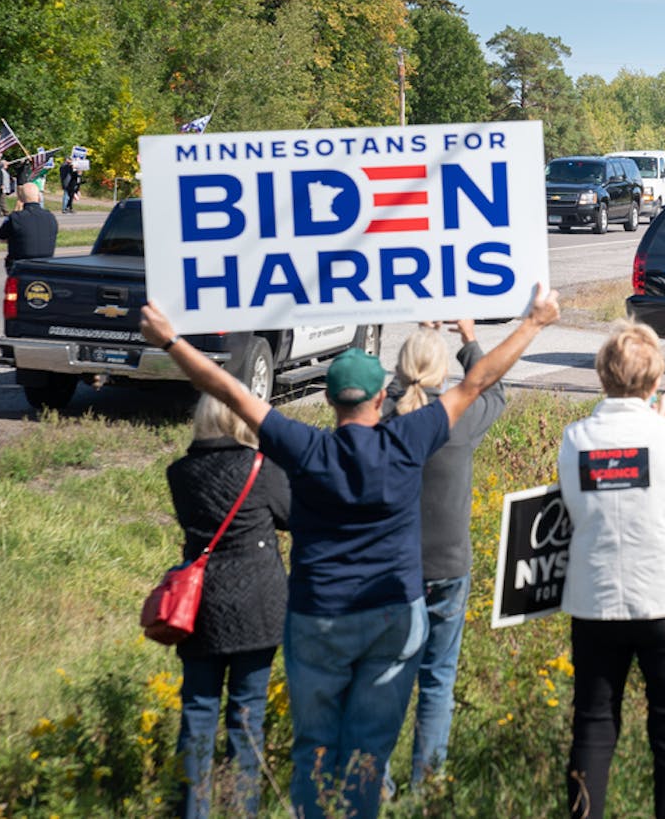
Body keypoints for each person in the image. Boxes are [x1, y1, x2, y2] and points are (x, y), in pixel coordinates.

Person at [139, 285, 560, 819]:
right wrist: (534, 323)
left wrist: (172, 339)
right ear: (380, 399)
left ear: (330, 400)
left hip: (319, 617)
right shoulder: (408, 439)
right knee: (368, 749)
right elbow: (478, 383)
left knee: (314, 744)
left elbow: (228, 390)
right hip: (392, 614)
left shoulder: (305, 447)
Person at [558, 320, 665, 819]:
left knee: (594, 723)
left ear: (602, 375)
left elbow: (573, 504)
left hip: (596, 596)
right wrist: (662, 428)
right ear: (654, 380)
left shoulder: (574, 439)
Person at [382, 320, 507, 788]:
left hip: (394, 570)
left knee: (388, 678)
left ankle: (378, 783)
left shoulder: (384, 421)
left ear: (399, 371)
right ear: (440, 377)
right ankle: (426, 784)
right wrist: (468, 338)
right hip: (448, 566)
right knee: (438, 680)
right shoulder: (457, 421)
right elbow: (495, 393)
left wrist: (408, 363)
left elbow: (397, 391)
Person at [167, 391, 292, 819]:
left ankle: (192, 811)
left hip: (200, 607)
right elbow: (291, 516)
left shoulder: (179, 473)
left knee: (197, 714)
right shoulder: (260, 468)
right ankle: (243, 809)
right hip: (259, 605)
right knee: (247, 717)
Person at [0, 182, 59, 272]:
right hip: (45, 267)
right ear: (39, 197)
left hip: (20, 268)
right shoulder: (51, 217)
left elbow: (1, 237)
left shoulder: (16, 218)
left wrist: (15, 210)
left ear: (21, 199)